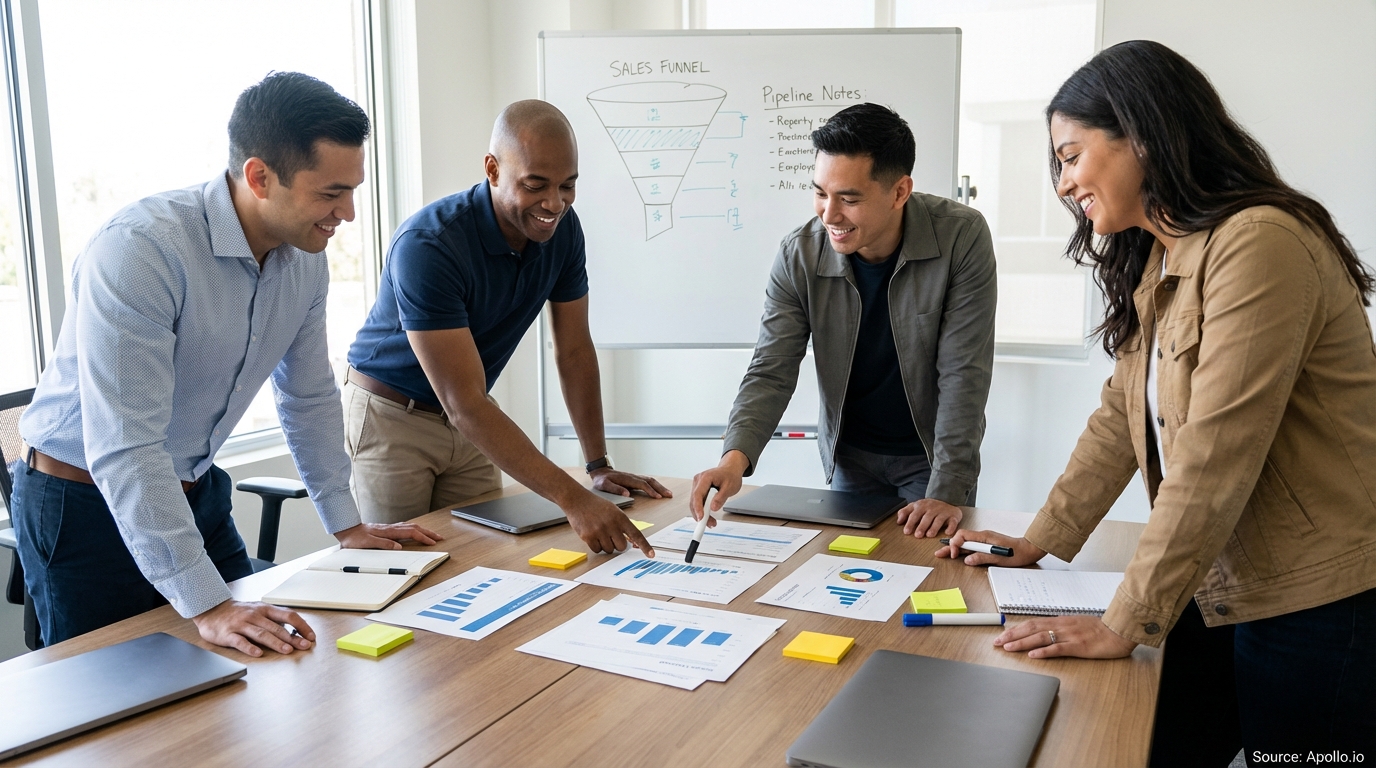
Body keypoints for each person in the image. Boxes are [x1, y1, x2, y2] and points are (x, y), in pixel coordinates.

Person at [940, 41, 1376, 762]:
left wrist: (1124, 622)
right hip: (1223, 578)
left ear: (1141, 134)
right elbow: (1120, 415)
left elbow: (1214, 454)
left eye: (1071, 155)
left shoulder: (1258, 243)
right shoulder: (1165, 256)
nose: (1062, 184)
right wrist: (1043, 537)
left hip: (1319, 600)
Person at [11, 72, 441, 656]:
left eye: (352, 190)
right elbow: (126, 446)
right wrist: (208, 603)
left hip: (197, 491)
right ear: (260, 176)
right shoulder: (142, 250)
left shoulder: (305, 264)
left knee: (257, 667)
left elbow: (308, 395)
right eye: (330, 193)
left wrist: (346, 525)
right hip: (85, 506)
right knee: (115, 721)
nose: (348, 212)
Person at [344, 100, 667, 557]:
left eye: (567, 186)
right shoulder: (428, 245)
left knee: (484, 562)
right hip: (393, 417)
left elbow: (574, 351)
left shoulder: (563, 231)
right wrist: (576, 499)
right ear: (493, 170)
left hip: (471, 415)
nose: (553, 203)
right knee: (399, 572)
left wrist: (597, 466)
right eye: (535, 185)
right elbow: (464, 403)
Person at [688, 103, 997, 538]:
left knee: (930, 582)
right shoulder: (799, 253)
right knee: (857, 583)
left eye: (849, 199)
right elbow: (772, 368)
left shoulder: (961, 237)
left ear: (899, 192)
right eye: (820, 193)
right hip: (850, 458)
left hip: (933, 460)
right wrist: (732, 460)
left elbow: (964, 374)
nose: (829, 215)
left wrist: (947, 489)